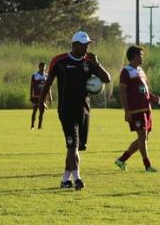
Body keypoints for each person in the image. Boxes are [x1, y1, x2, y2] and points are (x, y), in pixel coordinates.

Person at [38, 31, 111, 190]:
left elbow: (107, 79)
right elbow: (48, 83)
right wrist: (40, 103)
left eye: (88, 44)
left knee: (76, 146)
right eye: (84, 45)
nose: (87, 47)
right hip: (66, 111)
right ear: (74, 44)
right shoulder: (59, 61)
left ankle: (65, 180)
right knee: (72, 145)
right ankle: (77, 178)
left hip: (84, 111)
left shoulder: (89, 62)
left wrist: (96, 64)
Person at [114, 46, 160, 172]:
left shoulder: (140, 70)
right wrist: (126, 111)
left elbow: (143, 89)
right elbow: (122, 92)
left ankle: (121, 160)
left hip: (146, 109)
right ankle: (147, 166)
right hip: (136, 110)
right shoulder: (126, 71)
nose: (142, 57)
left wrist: (152, 97)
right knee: (142, 136)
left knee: (143, 138)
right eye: (140, 55)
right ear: (134, 56)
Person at [30, 62, 52, 130]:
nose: (44, 68)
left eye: (45, 67)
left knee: (42, 112)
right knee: (34, 111)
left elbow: (48, 87)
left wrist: (50, 96)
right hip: (35, 96)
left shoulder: (46, 76)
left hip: (43, 97)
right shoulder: (34, 75)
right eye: (42, 67)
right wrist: (31, 96)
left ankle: (39, 126)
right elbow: (31, 86)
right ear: (39, 67)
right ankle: (32, 126)